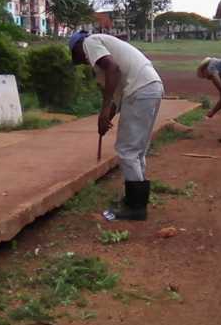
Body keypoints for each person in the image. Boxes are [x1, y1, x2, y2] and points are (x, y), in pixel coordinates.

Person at [69, 31, 164, 221]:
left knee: (127, 150)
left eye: (78, 58)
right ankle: (135, 200)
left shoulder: (89, 42)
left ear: (77, 47)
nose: (84, 62)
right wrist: (106, 117)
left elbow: (113, 69)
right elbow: (116, 95)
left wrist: (104, 111)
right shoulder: (106, 45)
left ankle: (136, 207)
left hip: (140, 90)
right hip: (151, 87)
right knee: (137, 152)